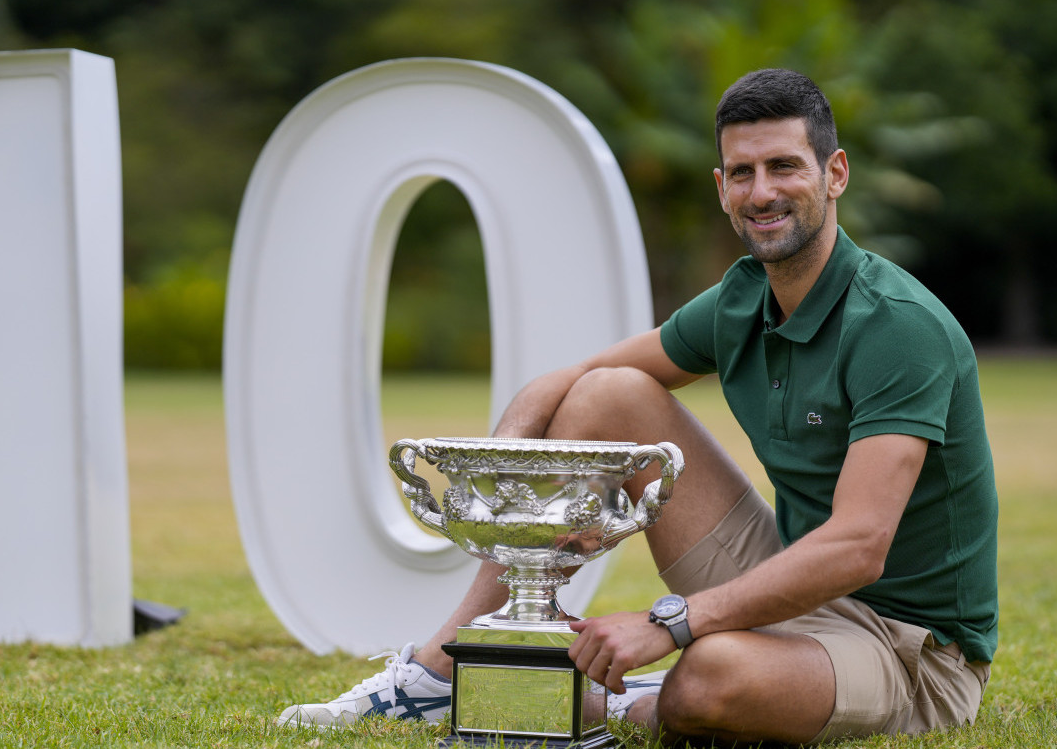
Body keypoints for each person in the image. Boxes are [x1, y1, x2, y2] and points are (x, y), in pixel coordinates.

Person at [276, 68, 998, 745]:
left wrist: (671, 622)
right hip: (791, 577)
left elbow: (857, 546)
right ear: (721, 187)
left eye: (785, 166)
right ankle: (441, 669)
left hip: (905, 646)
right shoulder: (745, 296)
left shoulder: (896, 326)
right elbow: (577, 379)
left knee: (711, 678)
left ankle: (631, 696)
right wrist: (502, 481)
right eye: (742, 173)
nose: (762, 191)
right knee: (607, 393)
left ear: (834, 174)